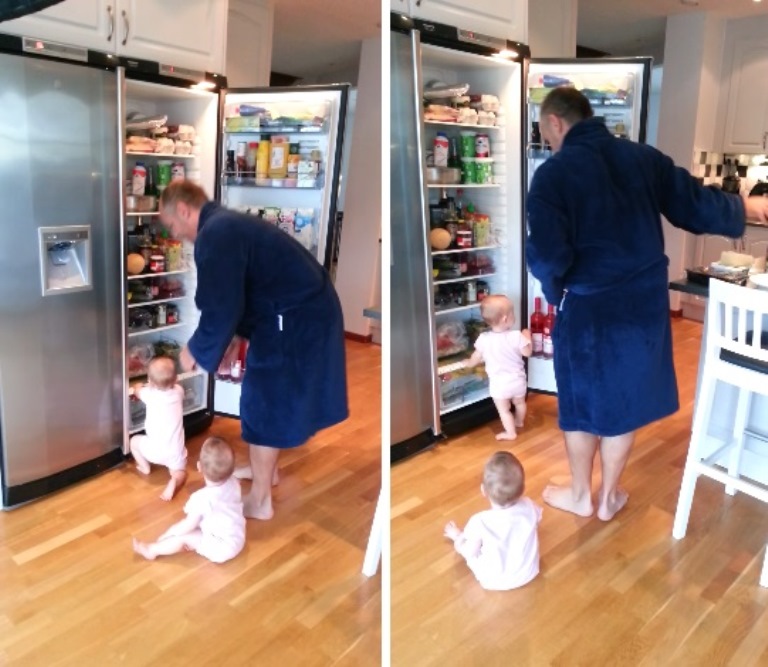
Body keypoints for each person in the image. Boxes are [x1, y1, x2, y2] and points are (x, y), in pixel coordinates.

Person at [526, 86, 768, 522]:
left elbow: (546, 256)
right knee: (624, 400)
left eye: (546, 133)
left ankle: (581, 494)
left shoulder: (553, 174)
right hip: (642, 307)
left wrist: (556, 292)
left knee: (580, 404)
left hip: (588, 309)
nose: (549, 142)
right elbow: (693, 204)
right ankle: (609, 496)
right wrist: (746, 207)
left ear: (557, 123)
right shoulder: (641, 157)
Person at [158, 181, 349, 520]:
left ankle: (260, 500)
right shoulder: (226, 225)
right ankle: (267, 471)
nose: (176, 234)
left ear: (184, 210)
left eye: (172, 225)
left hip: (295, 319)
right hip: (301, 312)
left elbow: (222, 305)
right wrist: (232, 338)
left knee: (265, 402)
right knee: (263, 398)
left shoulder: (215, 233)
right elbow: (241, 291)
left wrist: (196, 351)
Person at [133, 436, 246, 563]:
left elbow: (187, 526)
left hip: (221, 548)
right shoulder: (234, 483)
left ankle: (152, 550)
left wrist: (167, 535)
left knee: (183, 537)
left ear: (199, 467)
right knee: (199, 524)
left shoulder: (202, 498)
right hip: (237, 537)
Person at [444, 451, 542, 591]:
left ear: (483, 490)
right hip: (528, 572)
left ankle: (458, 536)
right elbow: (537, 520)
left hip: (494, 580)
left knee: (471, 551)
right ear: (522, 489)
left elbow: (469, 552)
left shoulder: (480, 521)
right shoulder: (529, 505)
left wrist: (458, 538)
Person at [464, 294, 532, 440]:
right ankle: (519, 422)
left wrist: (468, 363)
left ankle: (510, 432)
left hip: (499, 385)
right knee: (520, 403)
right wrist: (528, 337)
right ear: (506, 319)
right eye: (512, 313)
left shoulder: (484, 339)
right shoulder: (516, 336)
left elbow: (475, 358)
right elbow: (527, 353)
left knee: (504, 410)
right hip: (518, 380)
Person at [129, 356, 187, 501]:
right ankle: (174, 480)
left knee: (133, 442)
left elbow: (137, 390)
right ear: (175, 379)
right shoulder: (178, 391)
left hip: (154, 450)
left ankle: (145, 467)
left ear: (150, 381)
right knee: (180, 471)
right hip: (176, 450)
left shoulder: (149, 394)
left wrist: (137, 386)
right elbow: (175, 386)